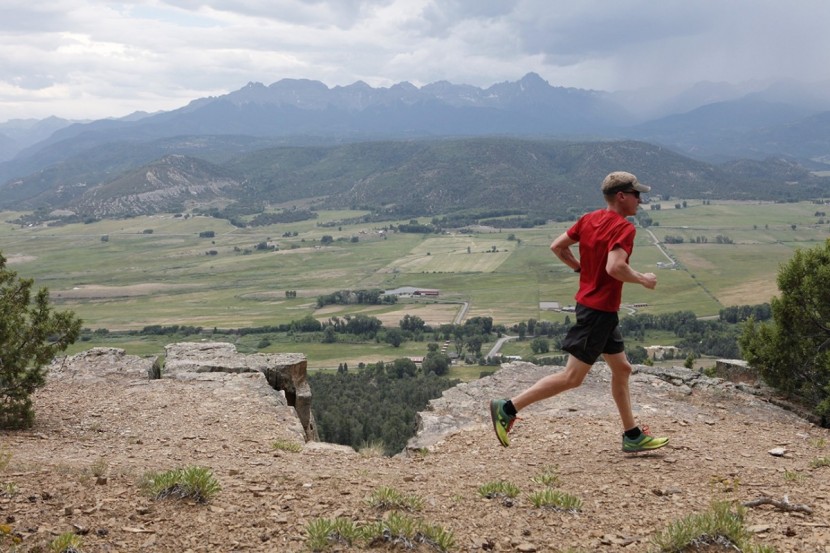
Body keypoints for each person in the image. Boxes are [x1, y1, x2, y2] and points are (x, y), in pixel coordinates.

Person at [489, 171, 669, 453]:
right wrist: (643, 279)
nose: (640, 200)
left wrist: (580, 268)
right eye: (636, 194)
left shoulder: (589, 219)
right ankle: (508, 408)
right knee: (572, 378)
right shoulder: (624, 228)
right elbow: (615, 267)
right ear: (622, 196)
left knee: (622, 369)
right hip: (597, 312)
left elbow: (557, 246)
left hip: (598, 310)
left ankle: (632, 435)